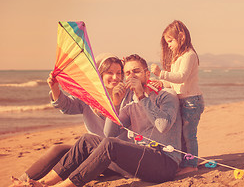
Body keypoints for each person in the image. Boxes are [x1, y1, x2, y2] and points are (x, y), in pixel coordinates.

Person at [13, 54, 182, 187]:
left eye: (136, 71)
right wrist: (115, 104)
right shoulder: (128, 103)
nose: (130, 76)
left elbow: (163, 126)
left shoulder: (166, 95)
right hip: (137, 160)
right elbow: (109, 133)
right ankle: (43, 183)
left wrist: (140, 95)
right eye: (128, 73)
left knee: (110, 144)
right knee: (87, 139)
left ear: (147, 74)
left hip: (164, 163)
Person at [15, 53, 124, 182]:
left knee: (84, 143)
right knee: (59, 149)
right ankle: (21, 182)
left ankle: (44, 183)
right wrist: (55, 88)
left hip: (115, 157)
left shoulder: (127, 97)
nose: (115, 77)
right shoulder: (89, 97)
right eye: (109, 73)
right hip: (92, 151)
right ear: (100, 75)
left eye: (119, 73)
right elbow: (66, 106)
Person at [150, 20, 204, 175]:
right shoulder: (177, 58)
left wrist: (161, 73)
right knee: (182, 134)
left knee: (189, 135)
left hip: (191, 101)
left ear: (181, 36)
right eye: (167, 42)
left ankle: (192, 164)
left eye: (170, 41)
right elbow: (173, 82)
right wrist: (159, 82)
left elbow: (181, 77)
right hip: (183, 101)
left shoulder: (189, 55)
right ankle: (185, 161)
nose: (168, 45)